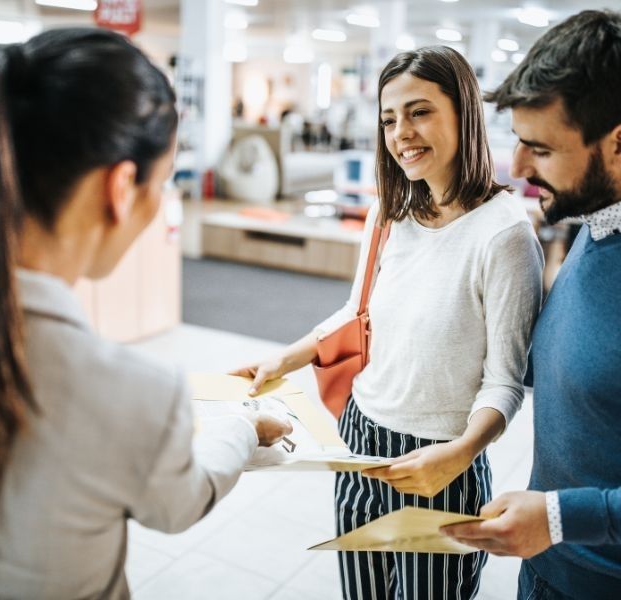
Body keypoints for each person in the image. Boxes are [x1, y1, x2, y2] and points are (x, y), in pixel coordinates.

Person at [0, 29, 290, 599]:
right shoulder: (129, 390)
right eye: (161, 182)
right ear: (121, 187)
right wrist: (242, 426)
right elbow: (180, 501)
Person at [233, 45, 543, 599]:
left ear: (464, 113)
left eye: (420, 112)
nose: (402, 133)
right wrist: (286, 357)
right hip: (360, 442)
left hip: (440, 458)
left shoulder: (505, 235)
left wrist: (461, 454)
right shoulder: (389, 211)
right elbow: (358, 311)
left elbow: (505, 381)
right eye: (389, 119)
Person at [442, 10, 621, 600]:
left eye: (539, 149)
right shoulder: (596, 225)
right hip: (546, 569)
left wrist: (559, 517)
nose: (517, 169)